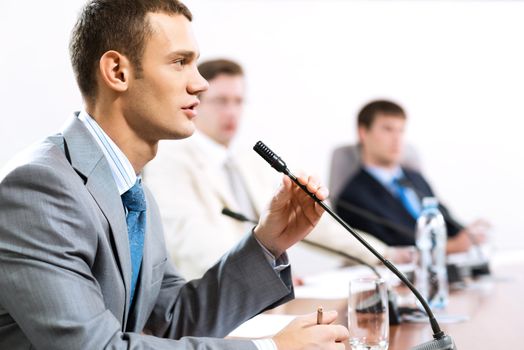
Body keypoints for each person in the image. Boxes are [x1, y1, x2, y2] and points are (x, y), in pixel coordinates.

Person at [0, 1, 349, 349]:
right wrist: (270, 348)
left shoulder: (133, 192)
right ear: (117, 72)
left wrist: (267, 242)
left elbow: (172, 318)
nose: (200, 85)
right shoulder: (40, 189)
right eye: (180, 62)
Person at [145, 58, 394, 280]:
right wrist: (264, 277)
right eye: (221, 101)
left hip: (263, 293)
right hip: (214, 295)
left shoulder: (248, 160)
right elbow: (193, 243)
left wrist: (384, 254)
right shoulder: (169, 158)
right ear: (196, 103)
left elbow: (308, 221)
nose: (231, 112)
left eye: (238, 102)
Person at [334, 100, 486, 253]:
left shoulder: (414, 178)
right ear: (363, 133)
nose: (397, 139)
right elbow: (390, 248)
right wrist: (448, 248)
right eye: (388, 129)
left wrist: (471, 235)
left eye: (401, 131)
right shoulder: (352, 197)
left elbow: (445, 220)